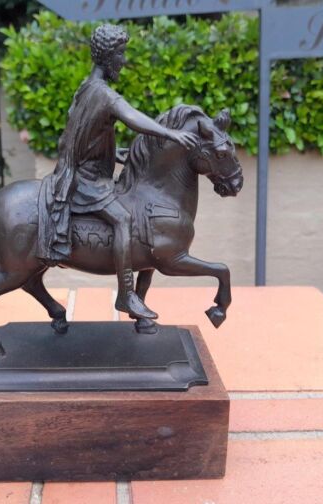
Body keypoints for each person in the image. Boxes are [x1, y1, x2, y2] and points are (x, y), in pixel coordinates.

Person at [37, 24, 197, 319]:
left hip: (86, 173)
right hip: (87, 183)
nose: (123, 61)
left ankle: (136, 298)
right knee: (124, 218)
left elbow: (83, 138)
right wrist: (170, 134)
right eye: (121, 54)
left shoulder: (86, 88)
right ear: (108, 56)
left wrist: (116, 154)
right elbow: (132, 117)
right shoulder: (104, 95)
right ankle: (126, 296)